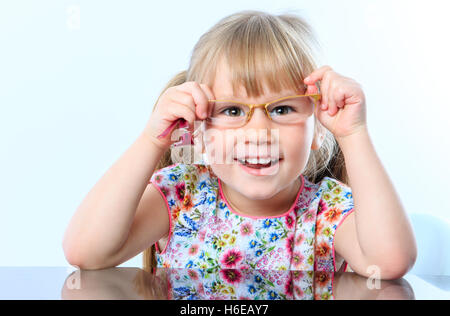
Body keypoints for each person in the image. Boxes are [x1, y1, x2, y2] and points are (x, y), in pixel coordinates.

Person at [62, 10, 417, 280]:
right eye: (232, 110)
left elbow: (387, 263)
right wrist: (151, 140)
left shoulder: (326, 209)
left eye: (282, 109)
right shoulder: (182, 195)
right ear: (197, 129)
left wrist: (353, 135)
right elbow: (85, 252)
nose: (258, 131)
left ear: (318, 130)